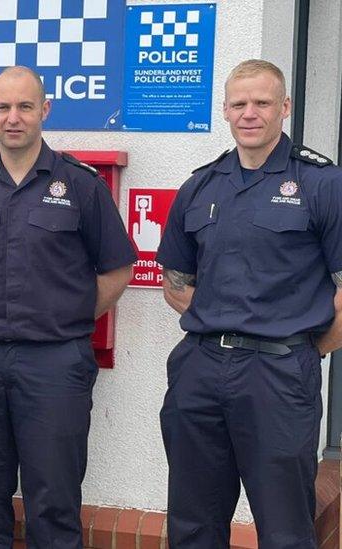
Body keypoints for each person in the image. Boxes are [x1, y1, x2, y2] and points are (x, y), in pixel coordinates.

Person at [0, 66, 135, 548]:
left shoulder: (81, 185)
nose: (13, 118)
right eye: (3, 107)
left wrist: (66, 316)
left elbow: (117, 271)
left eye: (25, 107)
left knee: (53, 501)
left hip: (55, 363)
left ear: (44, 111)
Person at [157, 59, 342, 548]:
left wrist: (308, 348)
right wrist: (221, 319)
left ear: (285, 107)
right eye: (239, 104)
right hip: (200, 369)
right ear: (224, 110)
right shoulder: (200, 186)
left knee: (283, 526)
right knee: (193, 521)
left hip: (279, 372)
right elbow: (175, 282)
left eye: (262, 102)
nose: (250, 113)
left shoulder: (322, 183)